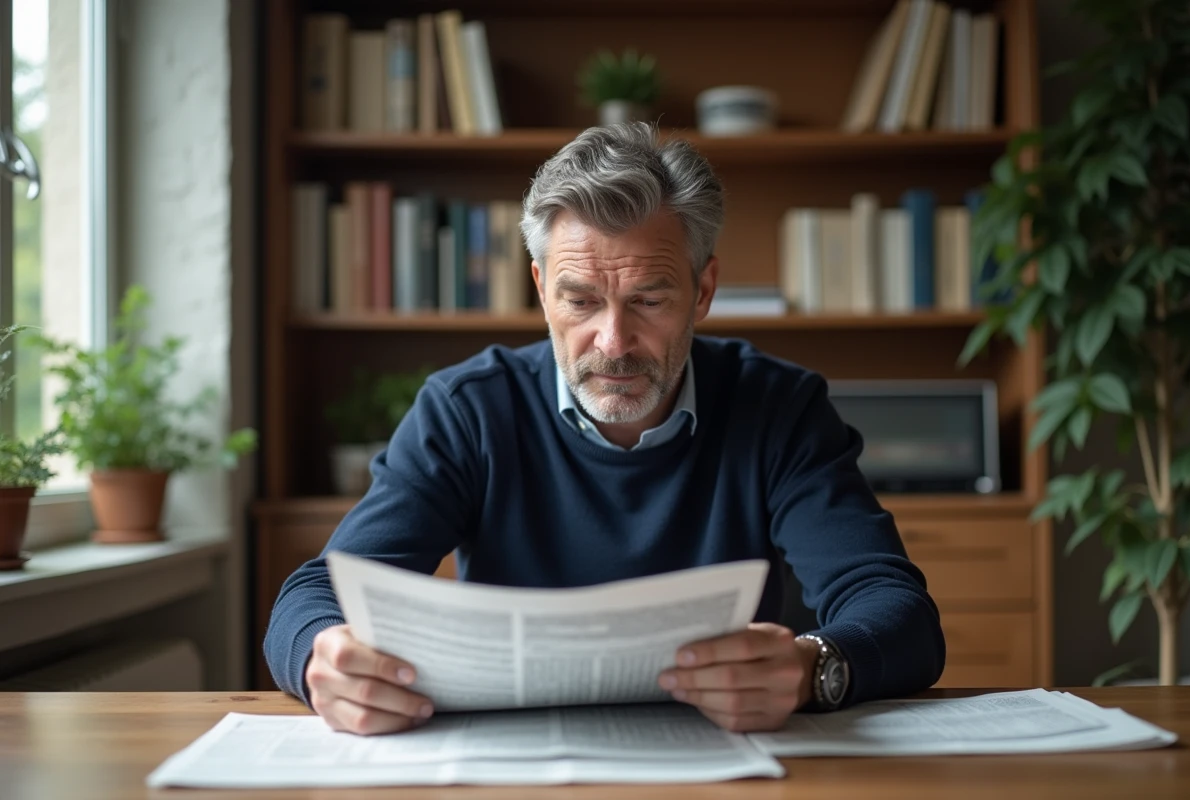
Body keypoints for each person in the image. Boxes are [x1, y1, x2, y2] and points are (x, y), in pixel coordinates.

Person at [265, 121, 945, 736]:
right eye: (581, 301)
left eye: (648, 300)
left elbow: (897, 609)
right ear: (541, 289)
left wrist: (812, 667)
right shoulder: (467, 410)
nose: (613, 343)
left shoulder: (780, 408)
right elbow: (314, 594)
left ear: (703, 291)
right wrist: (325, 661)